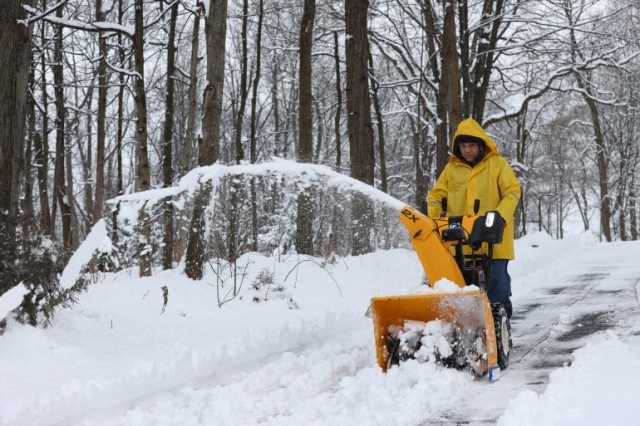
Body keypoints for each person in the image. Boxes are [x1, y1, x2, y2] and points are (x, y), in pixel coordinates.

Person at [427, 118, 521, 318]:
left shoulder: (497, 165)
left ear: (480, 145)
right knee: (457, 287)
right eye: (463, 146)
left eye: (471, 145)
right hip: (459, 238)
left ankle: (501, 324)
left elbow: (512, 192)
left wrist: (499, 215)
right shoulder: (451, 170)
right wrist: (435, 222)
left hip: (494, 238)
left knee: (497, 285)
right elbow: (436, 196)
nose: (467, 150)